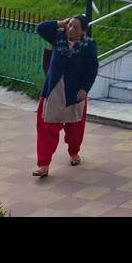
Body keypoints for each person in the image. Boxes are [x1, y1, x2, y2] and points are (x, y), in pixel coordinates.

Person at [33, 15, 98, 177]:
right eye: (69, 26)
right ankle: (44, 164)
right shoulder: (58, 38)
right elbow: (40, 28)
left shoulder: (88, 45)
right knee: (47, 127)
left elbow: (92, 69)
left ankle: (74, 151)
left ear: (83, 31)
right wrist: (59, 23)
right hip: (54, 90)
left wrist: (85, 89)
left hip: (74, 92)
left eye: (75, 27)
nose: (71, 29)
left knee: (74, 128)